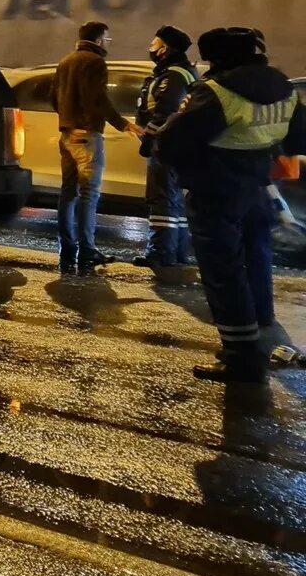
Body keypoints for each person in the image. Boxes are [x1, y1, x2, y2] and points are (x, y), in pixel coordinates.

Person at [156, 27, 306, 383]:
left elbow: (172, 142)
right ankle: (261, 322)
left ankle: (240, 356)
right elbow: (299, 136)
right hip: (258, 188)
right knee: (256, 260)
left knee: (224, 273)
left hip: (216, 192)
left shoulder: (217, 91)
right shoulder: (283, 88)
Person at [51, 20, 143, 274]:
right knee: (88, 195)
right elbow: (98, 100)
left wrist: (68, 119)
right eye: (107, 39)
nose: (108, 44)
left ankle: (67, 248)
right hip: (87, 136)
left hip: (67, 134)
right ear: (100, 39)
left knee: (68, 193)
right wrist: (122, 123)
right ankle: (88, 250)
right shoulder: (94, 62)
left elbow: (53, 97)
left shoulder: (65, 61)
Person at [134, 24, 197, 271]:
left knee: (161, 199)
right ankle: (177, 251)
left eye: (154, 44)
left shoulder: (173, 76)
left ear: (165, 49)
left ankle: (160, 252)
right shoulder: (181, 72)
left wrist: (149, 139)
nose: (151, 48)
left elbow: (165, 111)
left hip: (166, 143)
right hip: (177, 144)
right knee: (173, 201)